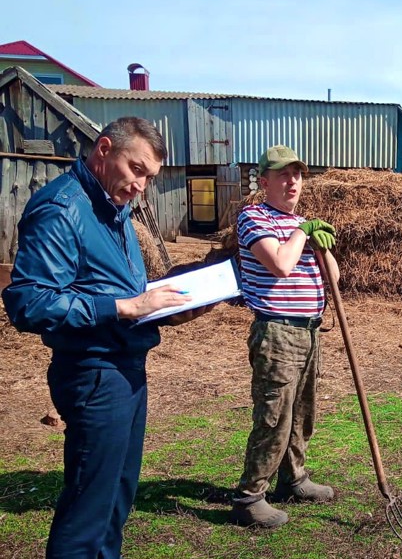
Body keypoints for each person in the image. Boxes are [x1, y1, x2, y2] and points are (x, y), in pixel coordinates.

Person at [2, 117, 214, 558]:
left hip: (128, 369)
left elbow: (119, 292)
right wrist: (123, 307)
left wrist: (168, 310)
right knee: (88, 512)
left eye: (150, 178)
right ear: (103, 150)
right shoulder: (62, 208)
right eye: (136, 169)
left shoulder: (114, 211)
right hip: (94, 374)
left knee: (116, 499)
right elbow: (29, 302)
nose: (141, 186)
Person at [229, 145, 339, 528]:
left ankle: (293, 479)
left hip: (309, 332)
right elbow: (279, 264)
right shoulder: (253, 218)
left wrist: (322, 246)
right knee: (274, 415)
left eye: (297, 175)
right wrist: (301, 233)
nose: (293, 182)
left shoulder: (302, 224)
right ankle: (249, 498)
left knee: (302, 413)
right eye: (283, 175)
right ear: (264, 182)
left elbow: (334, 280)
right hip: (276, 332)